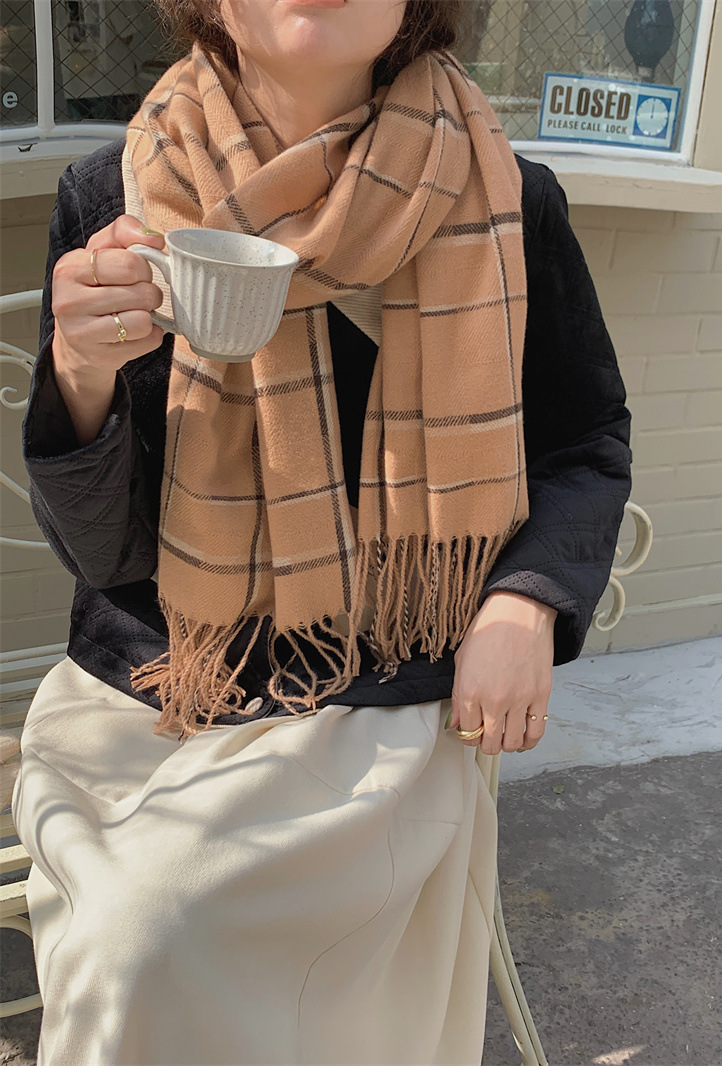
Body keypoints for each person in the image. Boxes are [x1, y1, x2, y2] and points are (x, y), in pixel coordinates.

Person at [12, 0, 633, 1062]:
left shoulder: (504, 196)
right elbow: (103, 555)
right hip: (157, 685)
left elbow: (584, 441)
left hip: (382, 691)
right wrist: (79, 374)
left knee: (167, 932)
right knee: (138, 941)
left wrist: (523, 600)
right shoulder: (115, 199)